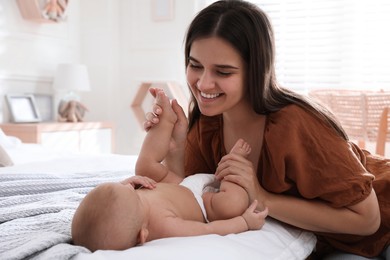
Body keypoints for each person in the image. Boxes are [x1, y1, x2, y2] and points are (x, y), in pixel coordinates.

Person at [143, 1, 390, 259]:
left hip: (379, 230)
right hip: (312, 242)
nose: (203, 83)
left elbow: (367, 219)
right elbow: (188, 195)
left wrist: (261, 197)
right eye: (195, 66)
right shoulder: (209, 122)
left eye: (223, 71)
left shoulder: (296, 124)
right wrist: (175, 145)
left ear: (255, 71)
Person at [71, 89, 267, 252]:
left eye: (127, 188)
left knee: (144, 167)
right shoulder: (164, 226)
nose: (132, 188)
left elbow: (113, 199)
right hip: (202, 203)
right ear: (143, 236)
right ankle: (233, 162)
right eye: (132, 193)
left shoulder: (128, 204)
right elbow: (207, 229)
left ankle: (165, 122)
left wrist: (128, 182)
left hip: (175, 183)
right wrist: (244, 222)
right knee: (230, 206)